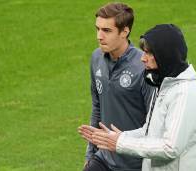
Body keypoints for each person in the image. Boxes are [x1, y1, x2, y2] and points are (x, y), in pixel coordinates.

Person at [81, 24, 196, 171]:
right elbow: (149, 132)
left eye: (148, 53)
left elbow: (170, 147)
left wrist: (120, 143)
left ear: (164, 56)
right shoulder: (163, 85)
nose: (143, 58)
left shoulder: (185, 93)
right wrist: (117, 137)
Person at [78, 2, 155, 171]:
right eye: (97, 29)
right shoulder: (96, 58)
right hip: (103, 159)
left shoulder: (143, 66)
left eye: (106, 31)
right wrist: (90, 155)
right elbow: (97, 106)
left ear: (125, 32)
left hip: (134, 164)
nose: (99, 36)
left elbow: (154, 123)